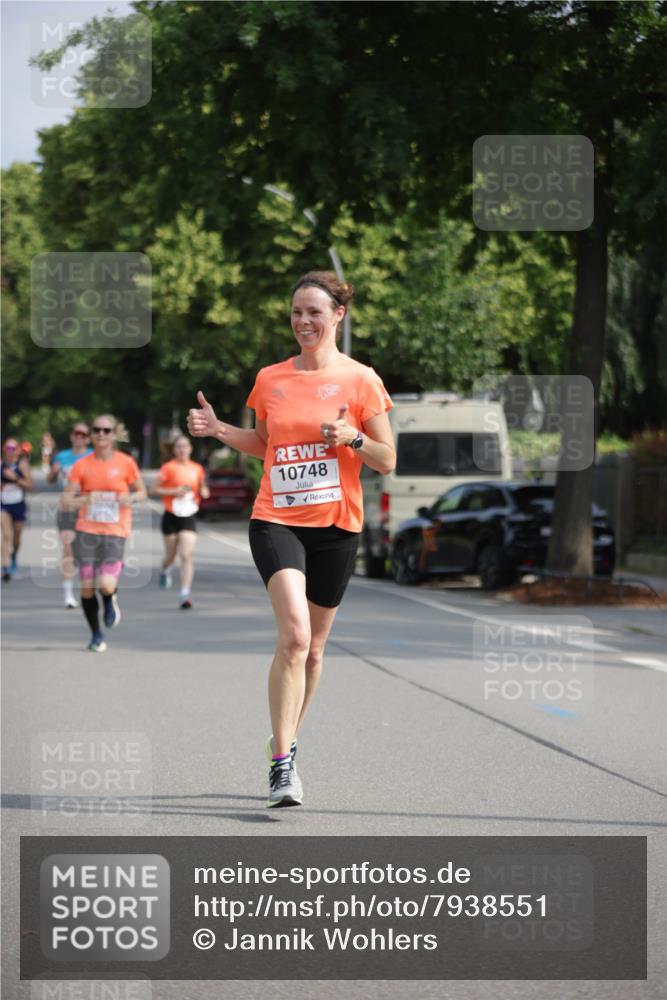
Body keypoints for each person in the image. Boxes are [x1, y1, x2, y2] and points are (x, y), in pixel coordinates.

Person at [188, 270, 395, 807]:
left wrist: (353, 438)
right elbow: (264, 444)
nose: (303, 321)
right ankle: (282, 767)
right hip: (276, 518)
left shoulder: (361, 380)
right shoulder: (270, 378)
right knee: (296, 637)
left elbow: (388, 460)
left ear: (338, 316)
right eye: (296, 313)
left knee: (317, 650)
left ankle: (286, 740)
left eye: (314, 313)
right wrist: (217, 432)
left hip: (337, 525)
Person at [61, 414, 147, 652]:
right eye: (97, 430)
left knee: (106, 585)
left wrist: (127, 497)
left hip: (115, 531)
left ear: (114, 434)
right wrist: (87, 498)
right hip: (86, 531)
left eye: (106, 430)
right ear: (91, 434)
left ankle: (110, 599)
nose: (101, 434)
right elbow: (66, 500)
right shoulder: (82, 465)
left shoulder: (126, 462)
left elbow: (142, 493)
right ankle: (96, 634)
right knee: (87, 588)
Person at [151, 434, 209, 609]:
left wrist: (205, 491)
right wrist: (173, 491)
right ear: (174, 450)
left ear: (190, 448)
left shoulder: (197, 468)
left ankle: (185, 594)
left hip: (189, 515)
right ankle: (165, 568)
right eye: (178, 447)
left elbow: (202, 487)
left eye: (185, 446)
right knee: (170, 556)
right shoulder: (168, 468)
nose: (182, 449)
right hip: (171, 515)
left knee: (186, 555)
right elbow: (154, 489)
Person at [47, 422, 93, 608]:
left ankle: (90, 589)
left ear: (88, 437)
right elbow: (50, 480)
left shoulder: (93, 455)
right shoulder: (61, 456)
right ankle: (68, 595)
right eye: (77, 433)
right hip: (66, 508)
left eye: (83, 434)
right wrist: (54, 472)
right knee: (68, 549)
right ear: (72, 436)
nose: (80, 437)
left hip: (89, 509)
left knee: (87, 553)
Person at [1, 437, 33, 580]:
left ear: (18, 451)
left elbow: (30, 486)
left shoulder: (22, 465)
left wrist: (14, 479)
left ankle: (14, 555)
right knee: (6, 535)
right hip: (3, 504)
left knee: (16, 537)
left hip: (18, 504)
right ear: (3, 449)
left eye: (13, 448)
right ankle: (5, 567)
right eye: (8, 448)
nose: (10, 451)